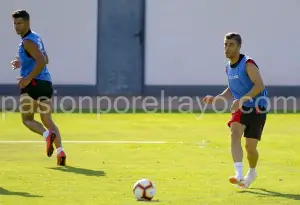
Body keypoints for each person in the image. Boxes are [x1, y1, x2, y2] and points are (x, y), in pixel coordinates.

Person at [203, 32, 268, 188]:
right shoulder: (228, 67)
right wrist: (217, 98)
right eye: (225, 44)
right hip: (240, 107)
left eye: (231, 45)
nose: (227, 48)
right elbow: (232, 88)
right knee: (235, 133)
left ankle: (252, 172)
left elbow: (259, 85)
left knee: (250, 148)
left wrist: (242, 100)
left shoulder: (248, 64)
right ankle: (238, 174)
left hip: (258, 107)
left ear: (239, 46)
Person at [11, 9, 66, 166]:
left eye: (19, 23)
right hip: (46, 84)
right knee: (47, 119)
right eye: (14, 23)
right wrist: (22, 62)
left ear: (27, 23)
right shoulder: (36, 38)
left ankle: (46, 134)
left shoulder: (27, 42)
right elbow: (45, 58)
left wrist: (28, 78)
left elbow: (41, 61)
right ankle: (60, 151)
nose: (16, 26)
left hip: (33, 85)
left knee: (27, 119)